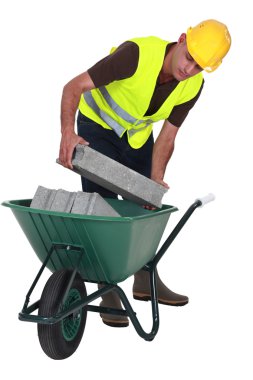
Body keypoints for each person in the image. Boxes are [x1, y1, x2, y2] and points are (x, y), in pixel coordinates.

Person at [59, 19, 231, 327]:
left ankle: (145, 275)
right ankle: (106, 284)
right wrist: (67, 135)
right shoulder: (136, 54)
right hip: (97, 126)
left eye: (199, 67)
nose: (189, 70)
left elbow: (168, 136)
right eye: (189, 58)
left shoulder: (193, 85)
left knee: (146, 205)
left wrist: (155, 180)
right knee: (103, 206)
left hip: (135, 137)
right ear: (181, 40)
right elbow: (73, 87)